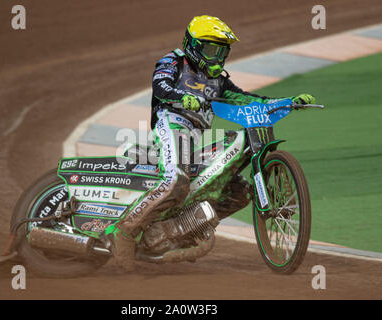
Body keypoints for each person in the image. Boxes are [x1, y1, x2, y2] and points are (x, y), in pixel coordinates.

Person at [102, 15, 315, 269]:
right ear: (193, 45)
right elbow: (160, 87)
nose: (216, 57)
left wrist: (286, 101)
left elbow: (246, 99)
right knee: (176, 180)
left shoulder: (219, 81)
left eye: (221, 51)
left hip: (195, 137)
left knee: (239, 192)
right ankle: (124, 231)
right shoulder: (173, 61)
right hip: (172, 124)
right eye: (211, 49)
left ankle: (180, 231)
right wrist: (183, 96)